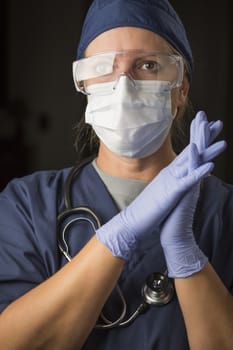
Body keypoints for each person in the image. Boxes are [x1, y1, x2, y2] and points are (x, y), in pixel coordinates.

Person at [0, 0, 232, 349]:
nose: (123, 86)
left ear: (181, 88)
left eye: (148, 65)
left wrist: (185, 254)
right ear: (85, 85)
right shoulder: (26, 206)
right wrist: (118, 237)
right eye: (104, 67)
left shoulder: (225, 212)